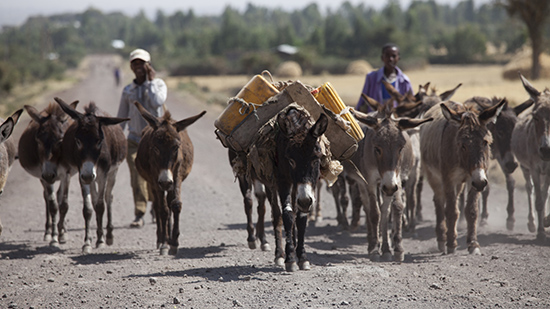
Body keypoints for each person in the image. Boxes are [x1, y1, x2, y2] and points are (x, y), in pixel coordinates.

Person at [117, 48, 167, 228]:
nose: (138, 67)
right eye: (135, 63)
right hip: (134, 140)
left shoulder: (159, 85)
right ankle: (139, 213)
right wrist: (117, 137)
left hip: (155, 141)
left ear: (149, 65)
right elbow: (122, 115)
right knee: (137, 176)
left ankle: (155, 205)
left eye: (142, 63)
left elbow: (157, 102)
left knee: (155, 176)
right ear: (131, 67)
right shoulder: (128, 90)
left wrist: (150, 82)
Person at [355, 43, 413, 113]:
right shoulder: (372, 77)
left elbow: (410, 104)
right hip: (375, 118)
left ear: (398, 58)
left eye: (394, 56)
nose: (390, 59)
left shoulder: (404, 81)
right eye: (387, 56)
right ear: (382, 58)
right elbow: (362, 101)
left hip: (396, 120)